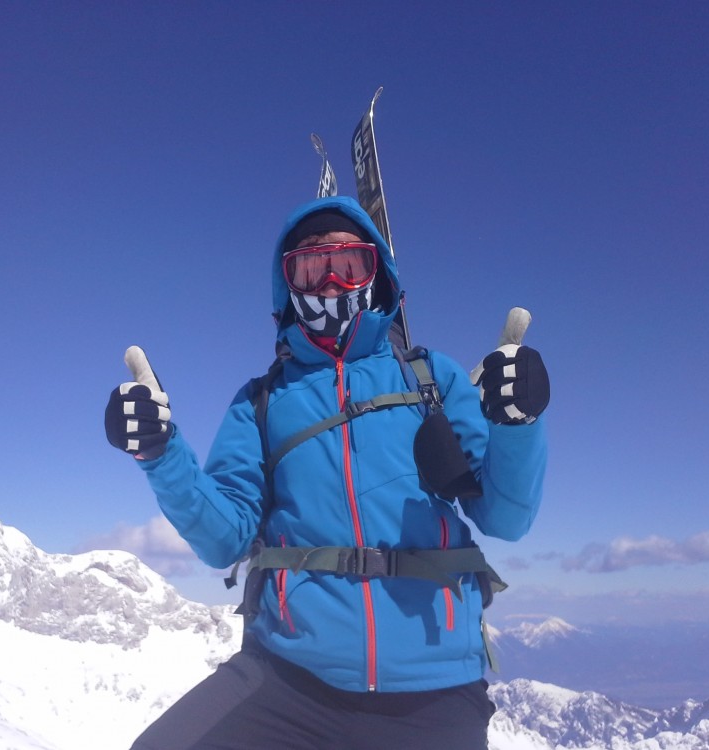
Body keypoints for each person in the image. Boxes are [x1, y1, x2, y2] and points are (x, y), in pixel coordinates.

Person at [105, 195, 549, 749]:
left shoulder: (432, 378)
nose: (332, 284)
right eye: (311, 269)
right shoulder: (262, 401)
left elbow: (506, 517)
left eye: (349, 264)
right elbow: (224, 540)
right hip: (289, 675)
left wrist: (517, 424)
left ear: (376, 273)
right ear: (287, 285)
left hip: (433, 689)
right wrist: (160, 453)